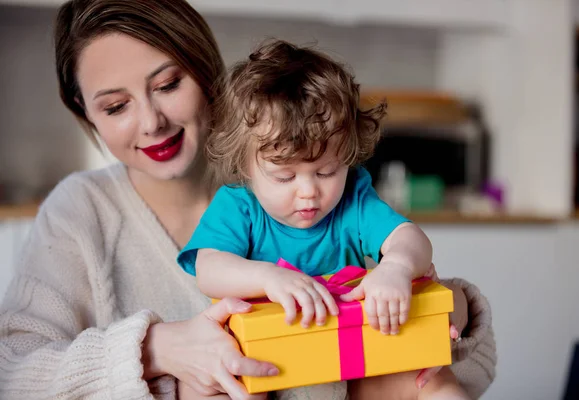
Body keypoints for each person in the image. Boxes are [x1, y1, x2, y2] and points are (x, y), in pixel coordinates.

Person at [0, 0, 496, 399]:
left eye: (169, 84)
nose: (151, 122)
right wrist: (155, 349)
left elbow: (463, 357)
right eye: (115, 105)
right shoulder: (82, 212)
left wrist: (435, 307)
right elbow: (12, 377)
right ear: (84, 111)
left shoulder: (316, 183)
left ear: (208, 73)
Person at [177, 39, 469, 400]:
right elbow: (209, 268)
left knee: (434, 383)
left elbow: (409, 238)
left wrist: (395, 268)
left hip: (348, 363)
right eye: (285, 177)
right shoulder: (238, 206)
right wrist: (266, 277)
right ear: (246, 167)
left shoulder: (353, 200)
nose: (308, 192)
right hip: (268, 364)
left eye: (327, 171)